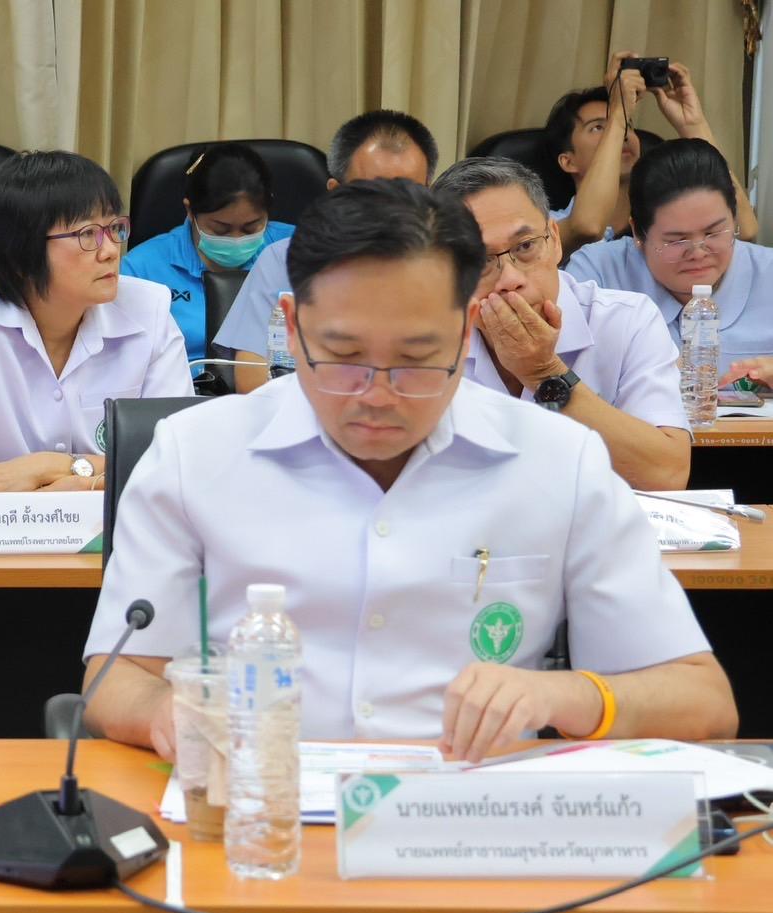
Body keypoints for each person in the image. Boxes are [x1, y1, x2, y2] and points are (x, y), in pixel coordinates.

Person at [82, 179, 735, 763]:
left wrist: (563, 695)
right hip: (259, 805)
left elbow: (701, 700)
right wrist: (167, 712)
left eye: (418, 359)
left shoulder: (557, 460)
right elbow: (117, 679)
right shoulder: (195, 452)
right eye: (342, 356)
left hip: (467, 823)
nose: (377, 394)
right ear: (291, 326)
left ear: (465, 328)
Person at [0, 151, 193, 495]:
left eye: (115, 229)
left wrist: (58, 469)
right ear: (20, 253)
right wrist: (25, 495)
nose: (110, 251)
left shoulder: (149, 310)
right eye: (88, 234)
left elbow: (179, 462)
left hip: (115, 527)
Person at [433, 156, 689, 491]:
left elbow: (666, 475)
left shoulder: (627, 321)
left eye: (525, 247)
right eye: (479, 260)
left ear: (554, 240)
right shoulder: (424, 341)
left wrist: (545, 374)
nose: (510, 279)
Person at [215, 110, 439, 392]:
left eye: (408, 192)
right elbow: (252, 382)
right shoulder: (284, 260)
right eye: (371, 193)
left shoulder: (448, 266)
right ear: (336, 193)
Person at [565, 138, 773, 388]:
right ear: (638, 232)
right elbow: (559, 375)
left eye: (714, 232)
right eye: (676, 240)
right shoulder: (598, 274)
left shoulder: (768, 272)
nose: (698, 252)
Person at [546, 51, 757, 253]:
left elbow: (745, 230)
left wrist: (692, 125)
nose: (624, 134)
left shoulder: (668, 222)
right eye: (598, 127)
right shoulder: (547, 223)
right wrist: (618, 116)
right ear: (568, 161)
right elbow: (587, 227)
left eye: (629, 124)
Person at [119, 143, 294, 366]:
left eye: (251, 228)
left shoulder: (299, 249)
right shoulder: (141, 268)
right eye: (220, 229)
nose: (236, 239)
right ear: (190, 211)